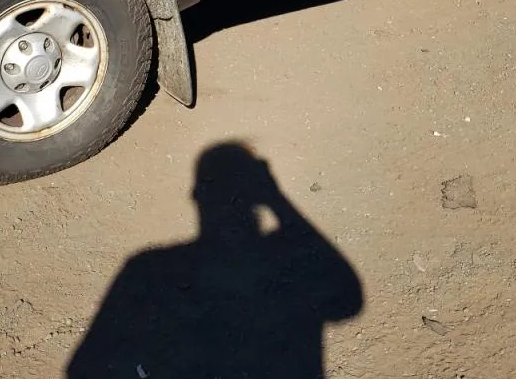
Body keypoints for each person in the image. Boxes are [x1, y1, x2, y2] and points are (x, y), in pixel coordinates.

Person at [68, 142, 363, 378]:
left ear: (196, 195)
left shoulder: (147, 267)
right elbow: (347, 298)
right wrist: (276, 199)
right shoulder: (280, 256)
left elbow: (84, 366)